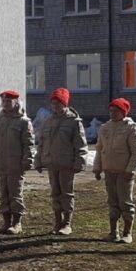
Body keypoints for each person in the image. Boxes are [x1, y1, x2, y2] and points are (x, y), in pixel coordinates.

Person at [33, 87, 88, 235]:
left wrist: (80, 162)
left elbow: (80, 144)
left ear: (65, 104)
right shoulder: (49, 121)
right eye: (53, 103)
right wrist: (38, 160)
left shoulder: (73, 122)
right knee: (55, 193)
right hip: (52, 164)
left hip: (66, 164)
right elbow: (42, 143)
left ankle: (67, 223)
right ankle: (57, 222)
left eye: (58, 103)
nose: (55, 106)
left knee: (66, 194)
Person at [0, 90, 35, 235]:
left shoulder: (23, 122)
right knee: (3, 193)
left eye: (9, 101)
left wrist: (27, 161)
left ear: (16, 102)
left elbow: (28, 144)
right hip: (0, 163)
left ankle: (16, 222)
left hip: (15, 164)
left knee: (15, 193)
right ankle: (6, 221)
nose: (6, 104)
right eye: (4, 101)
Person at [93, 98, 136, 244]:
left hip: (124, 173)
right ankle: (113, 232)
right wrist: (97, 168)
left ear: (123, 112)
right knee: (112, 201)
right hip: (109, 171)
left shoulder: (131, 128)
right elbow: (99, 149)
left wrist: (130, 170)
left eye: (116, 111)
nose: (112, 113)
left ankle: (127, 233)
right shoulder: (105, 128)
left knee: (125, 202)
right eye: (111, 111)